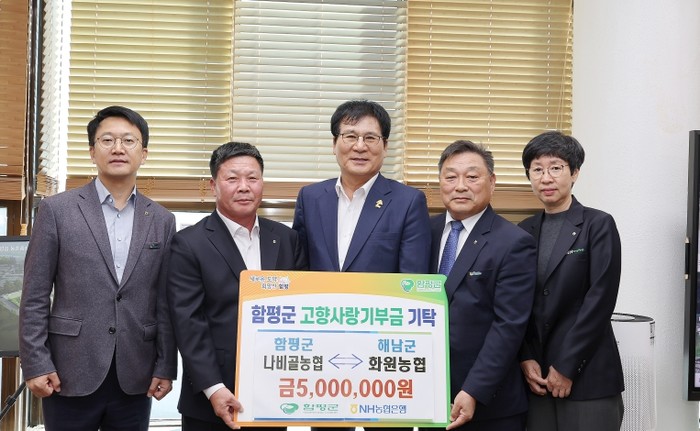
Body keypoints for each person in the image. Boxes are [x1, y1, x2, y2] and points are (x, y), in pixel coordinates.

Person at [19, 105, 177, 430]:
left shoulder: (162, 220)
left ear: (144, 153)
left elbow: (164, 300)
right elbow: (34, 295)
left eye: (128, 141)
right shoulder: (57, 211)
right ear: (92, 152)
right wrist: (36, 363)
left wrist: (165, 365)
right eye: (107, 140)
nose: (118, 148)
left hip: (136, 373)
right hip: (68, 371)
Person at [292, 99, 431, 431]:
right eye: (350, 136)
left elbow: (411, 282)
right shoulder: (310, 197)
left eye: (370, 138)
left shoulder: (408, 201)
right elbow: (299, 271)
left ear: (385, 146)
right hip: (323, 354)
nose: (359, 146)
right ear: (334, 143)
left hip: (383, 356)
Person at [167, 142, 307, 430]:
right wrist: (214, 388)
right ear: (213, 185)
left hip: (274, 395)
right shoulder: (189, 243)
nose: (244, 187)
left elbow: (302, 308)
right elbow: (188, 323)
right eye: (232, 178)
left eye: (252, 178)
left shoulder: (286, 238)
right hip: (211, 399)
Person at [421, 140, 536, 431]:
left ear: (492, 182)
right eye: (450, 177)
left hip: (488, 405)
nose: (460, 186)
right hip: (427, 397)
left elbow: (509, 325)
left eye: (472, 177)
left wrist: (473, 390)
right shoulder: (422, 232)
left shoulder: (513, 242)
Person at [518, 131, 624, 431]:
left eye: (556, 168)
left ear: (575, 172)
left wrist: (566, 366)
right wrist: (525, 358)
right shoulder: (523, 231)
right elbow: (515, 301)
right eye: (537, 170)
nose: (546, 178)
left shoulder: (598, 224)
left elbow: (600, 300)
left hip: (588, 375)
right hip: (537, 379)